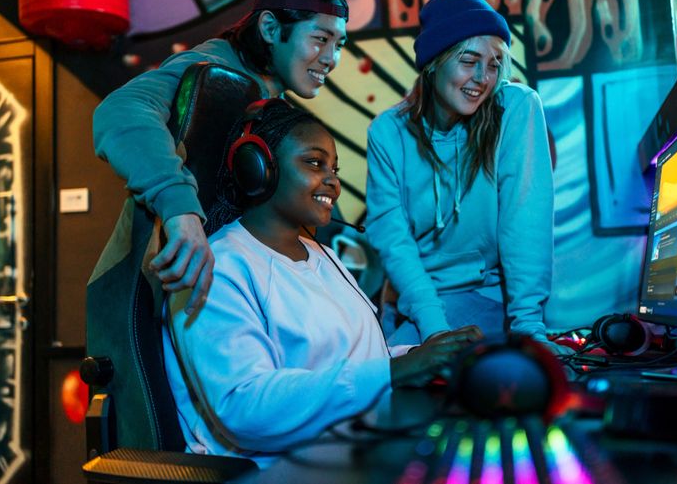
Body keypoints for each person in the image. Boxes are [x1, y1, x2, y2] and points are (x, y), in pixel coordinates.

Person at [163, 99, 482, 467]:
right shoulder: (217, 267)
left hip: (353, 448)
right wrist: (393, 373)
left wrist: (422, 357)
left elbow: (358, 363)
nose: (333, 181)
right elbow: (244, 408)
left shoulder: (322, 257)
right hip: (274, 469)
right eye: (315, 163)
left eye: (335, 168)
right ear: (258, 168)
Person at [93, 0, 349, 312]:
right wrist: (181, 211)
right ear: (270, 28)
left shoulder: (273, 104)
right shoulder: (210, 68)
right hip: (171, 289)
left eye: (339, 44)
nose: (331, 59)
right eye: (320, 39)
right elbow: (120, 109)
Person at [366, 0, 555, 345]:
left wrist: (528, 326)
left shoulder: (515, 108)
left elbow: (526, 220)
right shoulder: (387, 132)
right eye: (469, 61)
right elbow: (393, 240)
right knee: (382, 367)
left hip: (488, 295)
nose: (483, 78)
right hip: (418, 302)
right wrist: (434, 328)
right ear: (433, 63)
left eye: (494, 64)